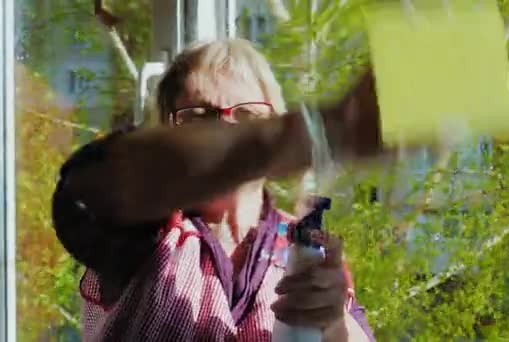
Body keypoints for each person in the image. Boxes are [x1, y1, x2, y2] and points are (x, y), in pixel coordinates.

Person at [52, 38, 381, 341]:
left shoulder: (305, 244)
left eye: (247, 116)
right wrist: (326, 130)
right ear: (165, 133)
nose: (226, 130)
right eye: (200, 118)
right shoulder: (147, 233)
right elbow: (86, 193)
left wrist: (333, 322)